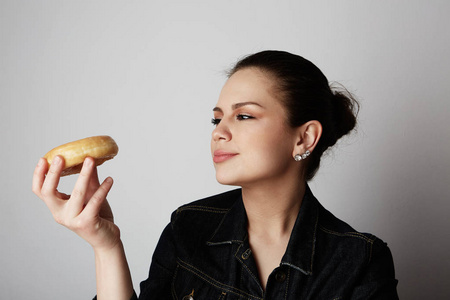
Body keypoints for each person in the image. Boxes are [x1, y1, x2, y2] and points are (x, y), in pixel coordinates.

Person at [32, 50, 399, 299]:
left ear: (304, 137)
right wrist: (106, 245)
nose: (218, 131)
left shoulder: (360, 259)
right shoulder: (188, 227)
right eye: (216, 117)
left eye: (243, 115)